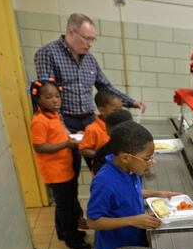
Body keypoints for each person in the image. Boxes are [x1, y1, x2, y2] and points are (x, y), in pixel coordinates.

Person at [35, 13, 146, 195]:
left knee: (103, 167)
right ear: (71, 32)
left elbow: (105, 86)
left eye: (93, 39)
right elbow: (47, 96)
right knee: (68, 177)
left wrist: (132, 102)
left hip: (89, 121)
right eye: (87, 38)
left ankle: (104, 207)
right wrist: (64, 131)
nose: (90, 44)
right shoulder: (48, 54)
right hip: (65, 121)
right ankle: (72, 216)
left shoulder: (89, 59)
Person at [86, 121, 178, 249]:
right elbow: (93, 222)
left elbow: (127, 194)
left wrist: (158, 194)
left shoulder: (129, 169)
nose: (151, 162)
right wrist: (133, 220)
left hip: (134, 240)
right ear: (125, 158)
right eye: (147, 158)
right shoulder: (104, 183)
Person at [29, 78, 91, 249]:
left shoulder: (54, 115)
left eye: (57, 96)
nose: (55, 100)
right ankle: (72, 238)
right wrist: (66, 144)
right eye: (49, 97)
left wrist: (72, 135)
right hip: (55, 172)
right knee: (65, 206)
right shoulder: (40, 121)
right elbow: (40, 146)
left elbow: (59, 135)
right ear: (38, 100)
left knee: (66, 201)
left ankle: (63, 231)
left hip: (65, 167)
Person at [79, 90, 122, 172]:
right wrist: (101, 155)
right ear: (102, 110)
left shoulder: (121, 125)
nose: (119, 114)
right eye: (115, 110)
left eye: (121, 110)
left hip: (118, 169)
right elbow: (82, 150)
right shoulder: (92, 129)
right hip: (102, 169)